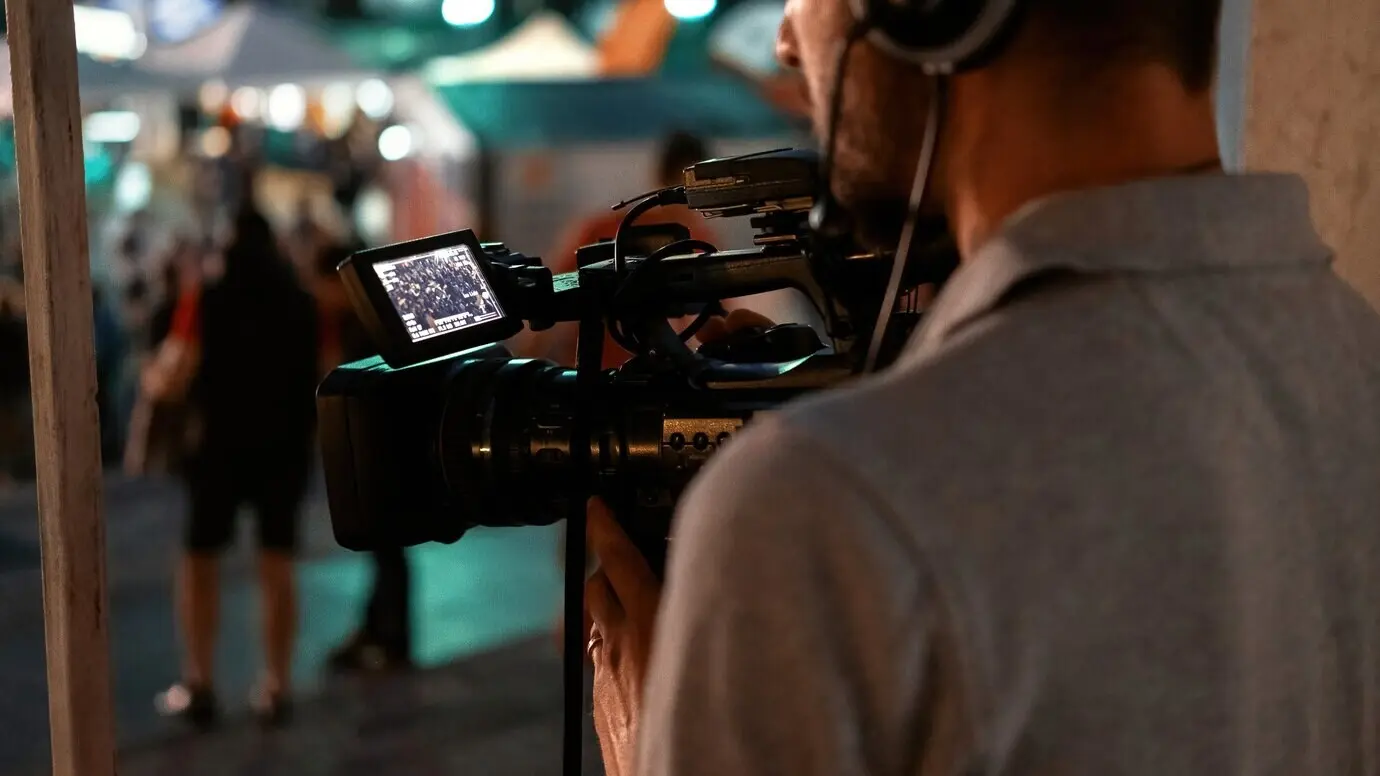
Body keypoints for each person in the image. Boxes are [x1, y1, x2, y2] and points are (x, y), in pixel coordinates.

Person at [582, 1, 1380, 775]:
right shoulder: (1355, 361)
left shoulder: (829, 505)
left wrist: (658, 749)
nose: (789, 42)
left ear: (932, 9)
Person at [148, 205, 319, 729]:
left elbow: (174, 374)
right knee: (277, 565)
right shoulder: (301, 303)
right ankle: (277, 684)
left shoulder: (206, 300)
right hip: (283, 449)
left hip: (217, 449)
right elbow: (323, 371)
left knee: (200, 562)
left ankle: (199, 681)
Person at [510, 131, 722, 369]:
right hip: (600, 374)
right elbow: (553, 291)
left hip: (651, 377)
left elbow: (711, 318)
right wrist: (523, 363)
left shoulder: (698, 239)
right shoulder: (603, 230)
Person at [318, 241, 416, 673]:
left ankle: (391, 638)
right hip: (382, 448)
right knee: (384, 547)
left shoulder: (364, 332)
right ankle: (376, 629)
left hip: (383, 450)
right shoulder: (370, 322)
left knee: (387, 547)